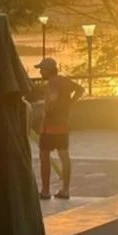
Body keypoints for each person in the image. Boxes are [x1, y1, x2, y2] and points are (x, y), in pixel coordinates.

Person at [35, 57, 84, 201]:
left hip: (49, 126)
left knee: (44, 157)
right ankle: (65, 190)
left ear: (48, 70)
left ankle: (45, 191)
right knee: (64, 156)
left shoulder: (52, 84)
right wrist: (70, 103)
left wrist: (48, 111)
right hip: (63, 125)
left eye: (42, 70)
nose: (40, 72)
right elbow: (80, 89)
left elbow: (52, 101)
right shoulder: (64, 80)